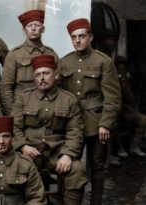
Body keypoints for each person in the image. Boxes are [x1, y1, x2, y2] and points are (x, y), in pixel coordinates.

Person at [57, 18, 121, 205]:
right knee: (68, 163)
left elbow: (112, 97)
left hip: (95, 122)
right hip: (70, 124)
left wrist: (105, 124)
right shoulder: (64, 62)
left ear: (90, 37)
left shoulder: (103, 62)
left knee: (97, 165)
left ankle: (96, 202)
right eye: (74, 37)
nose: (77, 41)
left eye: (82, 36)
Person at [12, 55, 87, 205]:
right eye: (38, 75)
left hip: (57, 153)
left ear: (56, 75)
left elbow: (75, 131)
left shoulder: (68, 99)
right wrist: (22, 146)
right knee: (17, 170)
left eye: (46, 73)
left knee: (76, 170)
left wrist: (67, 154)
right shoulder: (23, 98)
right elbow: (14, 127)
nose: (42, 78)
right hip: (30, 153)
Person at [0, 116, 47, 205]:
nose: (1, 141)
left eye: (6, 136)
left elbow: (37, 198)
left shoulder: (25, 163)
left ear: (12, 138)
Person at [0, 9, 59, 115]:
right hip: (21, 108)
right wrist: (13, 114)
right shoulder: (14, 55)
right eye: (29, 25)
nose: (33, 29)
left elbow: (58, 85)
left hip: (46, 108)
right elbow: (6, 87)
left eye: (37, 25)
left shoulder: (52, 54)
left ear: (43, 29)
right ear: (24, 29)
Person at [114, 56, 146, 157]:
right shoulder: (113, 80)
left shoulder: (126, 80)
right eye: (119, 68)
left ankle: (134, 146)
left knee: (143, 120)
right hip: (115, 110)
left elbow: (131, 98)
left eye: (123, 68)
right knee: (114, 125)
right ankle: (119, 149)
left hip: (126, 110)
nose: (121, 70)